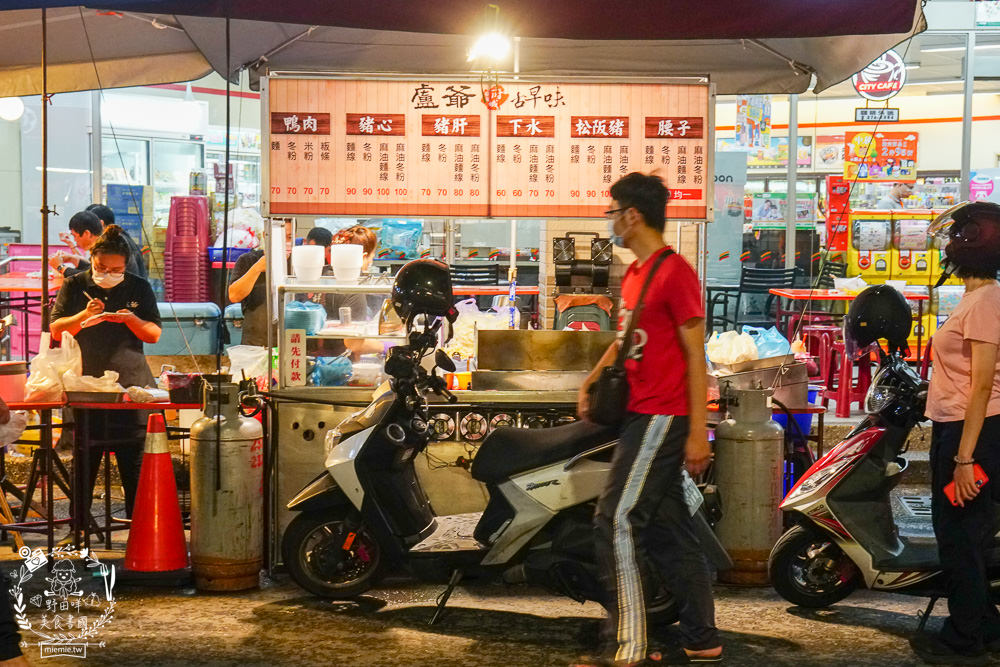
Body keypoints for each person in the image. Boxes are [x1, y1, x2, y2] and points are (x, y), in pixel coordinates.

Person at [576, 173, 720, 666]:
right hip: (638, 411)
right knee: (669, 529)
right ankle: (703, 639)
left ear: (632, 215)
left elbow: (696, 357)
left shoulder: (676, 273)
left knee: (615, 520)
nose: (610, 220)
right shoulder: (636, 273)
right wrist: (591, 380)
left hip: (664, 414)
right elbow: (626, 339)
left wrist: (698, 433)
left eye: (612, 210)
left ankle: (628, 645)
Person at [910, 201, 1000, 665]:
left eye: (957, 235)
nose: (947, 244)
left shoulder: (986, 301)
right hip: (958, 428)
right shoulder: (974, 296)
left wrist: (965, 459)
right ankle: (981, 624)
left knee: (960, 537)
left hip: (974, 434)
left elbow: (983, 385)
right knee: (962, 535)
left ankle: (965, 636)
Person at [50, 224, 162, 523]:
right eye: (102, 267)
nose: (108, 272)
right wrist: (84, 315)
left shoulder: (138, 286)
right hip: (86, 384)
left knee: (134, 463)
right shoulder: (75, 285)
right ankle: (79, 529)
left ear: (126, 266)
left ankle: (140, 531)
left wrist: (131, 319)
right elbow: (57, 330)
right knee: (84, 461)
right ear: (92, 258)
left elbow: (153, 334)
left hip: (131, 384)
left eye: (116, 269)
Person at [49, 205, 147, 280]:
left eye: (74, 236)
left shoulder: (112, 243)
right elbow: (92, 270)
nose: (75, 240)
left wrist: (60, 267)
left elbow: (93, 278)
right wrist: (73, 259)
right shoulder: (113, 238)